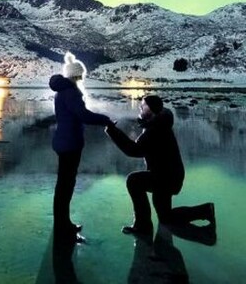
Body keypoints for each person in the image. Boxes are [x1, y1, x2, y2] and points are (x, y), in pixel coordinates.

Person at [105, 95, 215, 235]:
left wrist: (112, 130)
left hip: (165, 177)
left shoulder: (156, 129)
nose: (140, 107)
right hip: (167, 176)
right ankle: (205, 210)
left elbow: (133, 150)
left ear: (151, 109)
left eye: (143, 105)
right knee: (166, 217)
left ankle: (143, 226)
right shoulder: (157, 124)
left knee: (134, 181)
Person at [49, 52, 113, 238]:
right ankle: (63, 225)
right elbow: (83, 115)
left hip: (64, 140)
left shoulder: (64, 91)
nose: (82, 77)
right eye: (81, 74)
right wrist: (105, 119)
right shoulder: (70, 92)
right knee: (66, 185)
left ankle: (61, 223)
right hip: (69, 143)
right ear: (76, 75)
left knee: (64, 184)